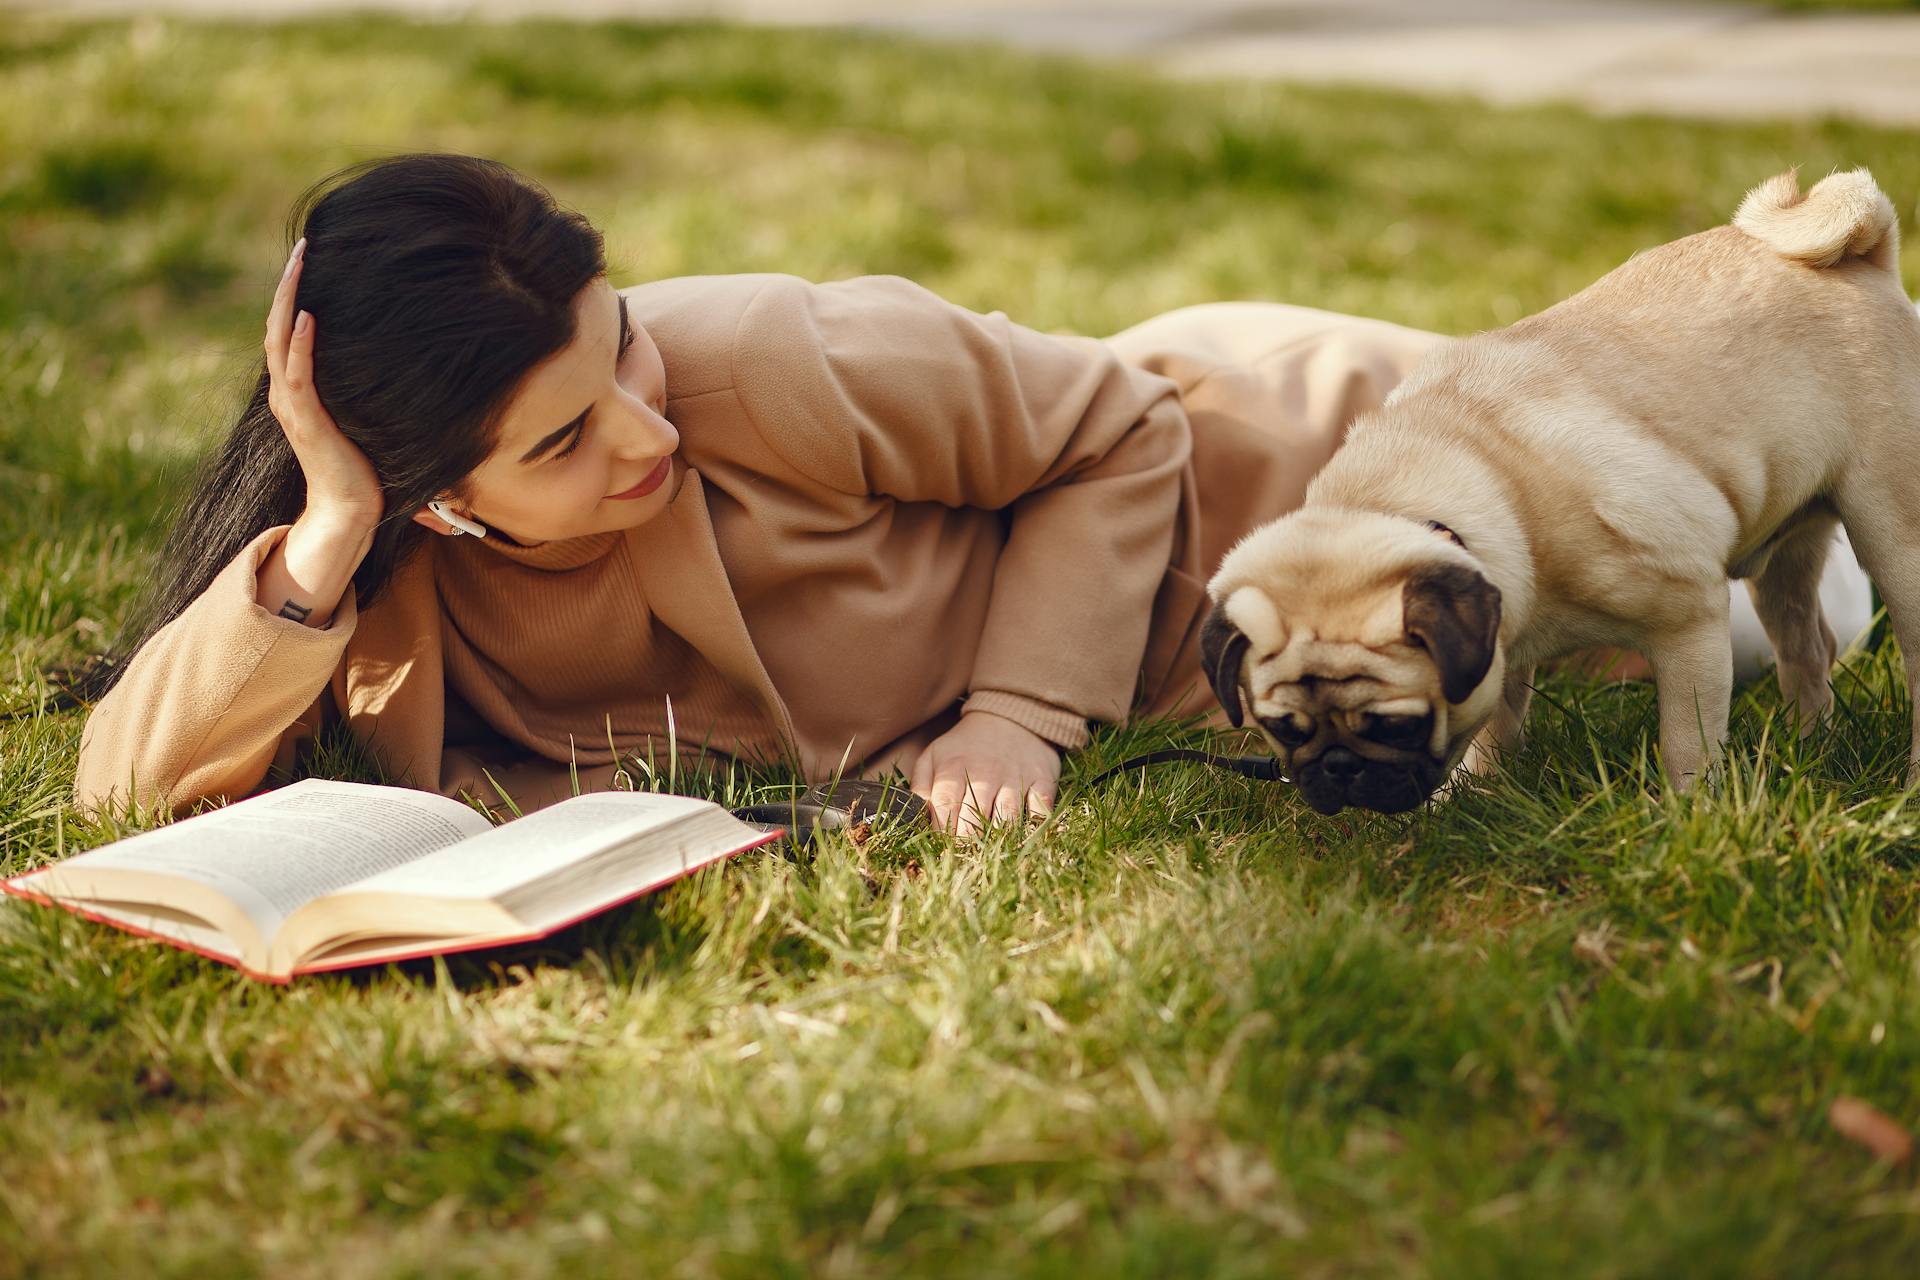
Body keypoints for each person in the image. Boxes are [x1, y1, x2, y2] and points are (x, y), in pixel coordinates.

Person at [71, 154, 1872, 835]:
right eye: (561, 444)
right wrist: (315, 537)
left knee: (1802, 561)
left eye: (619, 350)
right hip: (1195, 543)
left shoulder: (758, 357)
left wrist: (1018, 711)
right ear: (434, 507)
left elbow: (1111, 436)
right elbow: (125, 789)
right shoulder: (362, 595)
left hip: (1282, 482)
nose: (645, 428)